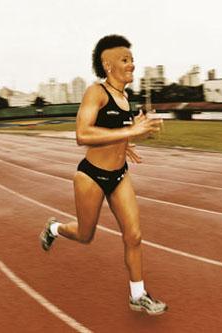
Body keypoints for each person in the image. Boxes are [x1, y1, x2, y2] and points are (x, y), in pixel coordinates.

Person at [40, 35, 167, 315]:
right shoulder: (96, 92)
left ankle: (138, 294)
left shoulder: (125, 97)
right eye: (125, 60)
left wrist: (127, 143)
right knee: (85, 235)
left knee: (133, 235)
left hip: (119, 175)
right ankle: (54, 228)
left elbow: (113, 130)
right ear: (108, 65)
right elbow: (82, 134)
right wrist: (130, 132)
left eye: (132, 59)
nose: (132, 64)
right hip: (92, 176)